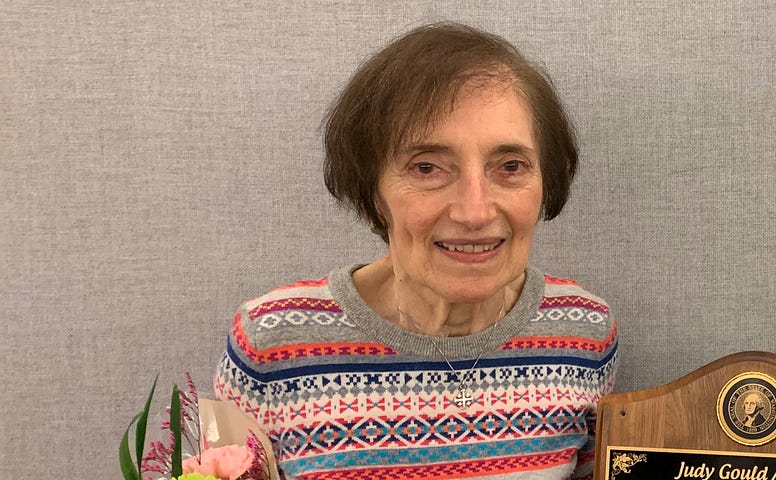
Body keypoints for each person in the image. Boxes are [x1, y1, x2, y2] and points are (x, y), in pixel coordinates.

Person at [213, 22, 616, 480]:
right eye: (426, 167)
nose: (474, 211)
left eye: (510, 166)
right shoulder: (273, 345)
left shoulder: (584, 333)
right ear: (372, 190)